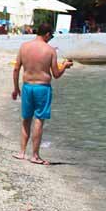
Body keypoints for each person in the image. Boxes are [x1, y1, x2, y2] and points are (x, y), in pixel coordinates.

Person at [11, 22, 72, 165]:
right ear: (47, 34)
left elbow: (16, 69)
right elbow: (56, 74)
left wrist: (15, 88)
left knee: (26, 119)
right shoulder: (50, 50)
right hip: (42, 88)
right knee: (38, 119)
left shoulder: (24, 47)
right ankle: (35, 155)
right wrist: (64, 66)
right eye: (51, 36)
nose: (51, 39)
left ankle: (21, 152)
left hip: (27, 86)